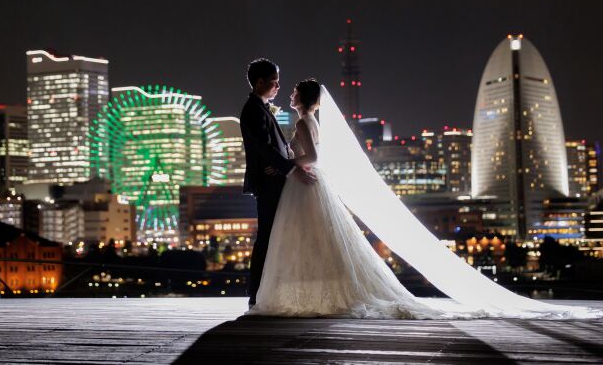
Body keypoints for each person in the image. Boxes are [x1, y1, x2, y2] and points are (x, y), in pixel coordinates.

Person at [246, 76, 601, 320]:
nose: (287, 93)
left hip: (305, 181)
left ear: (305, 99)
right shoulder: (306, 119)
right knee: (314, 242)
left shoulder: (307, 121)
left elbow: (314, 158)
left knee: (310, 241)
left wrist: (292, 163)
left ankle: (309, 295)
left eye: (292, 91)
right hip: (305, 184)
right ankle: (314, 294)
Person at [239, 58, 315, 307]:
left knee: (274, 236)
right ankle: (257, 293)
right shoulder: (253, 110)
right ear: (259, 82)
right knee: (267, 237)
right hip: (269, 182)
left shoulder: (261, 108)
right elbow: (265, 147)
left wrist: (288, 161)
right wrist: (292, 169)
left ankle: (265, 292)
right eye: (274, 82)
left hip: (276, 178)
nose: (278, 87)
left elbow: (276, 148)